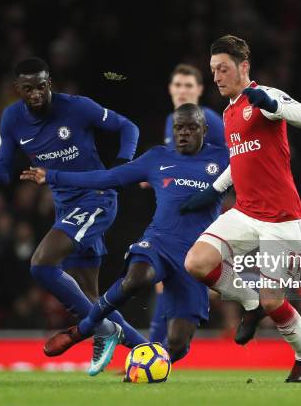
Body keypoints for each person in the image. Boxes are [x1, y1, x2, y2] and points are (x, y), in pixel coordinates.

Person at [20, 104, 229, 374]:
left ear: (205, 130)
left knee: (177, 344)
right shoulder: (157, 157)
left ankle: (144, 370)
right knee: (136, 277)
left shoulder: (224, 159)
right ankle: (83, 330)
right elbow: (107, 178)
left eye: (191, 128)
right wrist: (53, 176)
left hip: (196, 256)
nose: (184, 133)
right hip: (159, 243)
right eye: (179, 128)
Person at [0, 57, 146, 374]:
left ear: (50, 83)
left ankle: (100, 331)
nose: (36, 94)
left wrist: (123, 165)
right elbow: (3, 166)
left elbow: (128, 126)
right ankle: (146, 349)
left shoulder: (77, 107)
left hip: (96, 198)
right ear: (18, 89)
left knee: (41, 264)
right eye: (28, 89)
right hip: (65, 206)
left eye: (41, 86)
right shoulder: (12, 118)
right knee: (89, 296)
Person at [180, 35, 301, 382]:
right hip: (245, 212)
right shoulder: (229, 112)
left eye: (223, 69)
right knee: (196, 263)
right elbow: (240, 158)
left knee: (275, 301)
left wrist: (272, 105)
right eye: (213, 70)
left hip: (282, 220)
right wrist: (214, 191)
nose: (216, 77)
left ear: (243, 67)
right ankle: (249, 301)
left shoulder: (266, 95)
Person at [150, 63, 226, 344]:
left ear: (200, 90)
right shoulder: (173, 121)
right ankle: (155, 350)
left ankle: (155, 350)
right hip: (180, 213)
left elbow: (234, 160)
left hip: (208, 212)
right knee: (168, 283)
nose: (182, 91)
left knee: (196, 279)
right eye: (178, 85)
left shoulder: (210, 120)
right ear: (170, 89)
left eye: (188, 86)